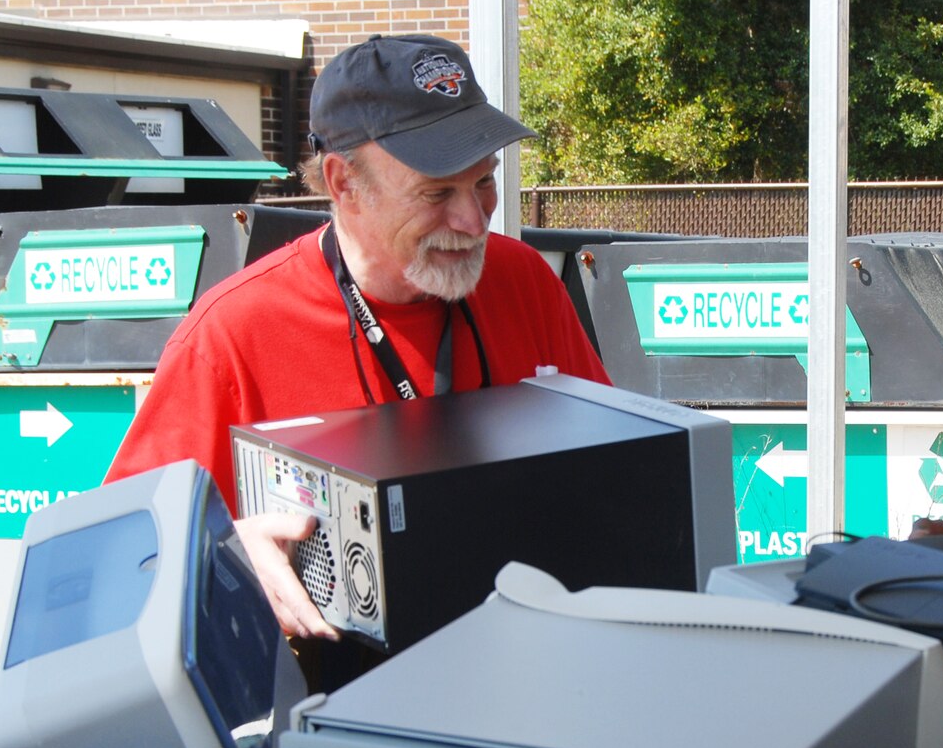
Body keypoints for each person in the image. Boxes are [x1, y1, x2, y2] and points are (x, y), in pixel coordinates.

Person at [107, 34, 609, 637]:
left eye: (483, 182)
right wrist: (223, 555)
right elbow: (117, 561)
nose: (475, 221)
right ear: (343, 183)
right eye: (436, 192)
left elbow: (612, 472)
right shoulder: (231, 337)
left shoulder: (524, 282)